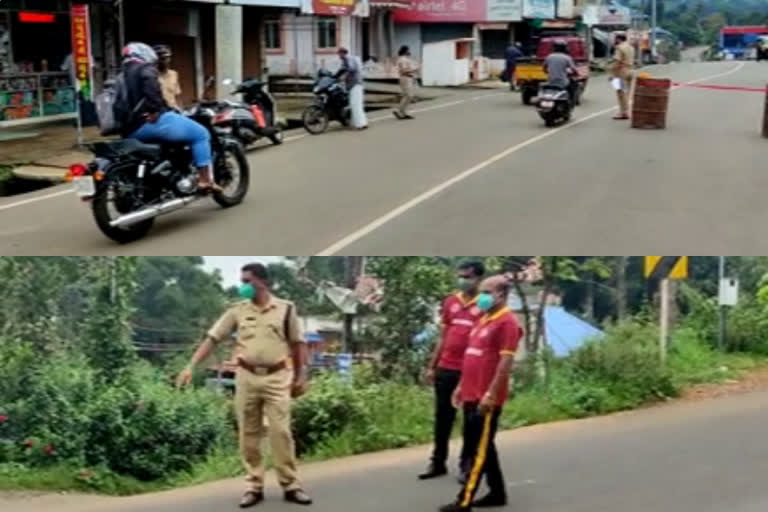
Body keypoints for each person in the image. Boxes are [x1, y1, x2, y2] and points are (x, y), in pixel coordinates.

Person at [177, 263, 312, 508]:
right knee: (248, 433)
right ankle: (254, 485)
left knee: (280, 431)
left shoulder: (285, 309)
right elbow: (213, 338)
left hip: (277, 377)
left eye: (248, 281)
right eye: (242, 281)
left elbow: (299, 344)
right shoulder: (237, 311)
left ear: (262, 282)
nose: (244, 286)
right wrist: (190, 366)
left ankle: (291, 484)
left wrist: (302, 375)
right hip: (246, 377)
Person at [439, 275, 523, 512]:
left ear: (501, 295)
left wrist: (491, 394)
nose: (482, 296)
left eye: (487, 291)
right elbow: (472, 356)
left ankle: (464, 500)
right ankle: (497, 493)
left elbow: (505, 363)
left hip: (486, 397)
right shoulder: (483, 319)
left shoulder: (507, 323)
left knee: (478, 450)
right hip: (470, 392)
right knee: (484, 447)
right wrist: (460, 386)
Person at [420, 260, 486, 484]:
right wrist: (432, 365)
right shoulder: (451, 302)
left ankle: (466, 464)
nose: (463, 280)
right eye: (461, 276)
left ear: (478, 278)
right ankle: (437, 461)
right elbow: (443, 336)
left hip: (470, 370)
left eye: (467, 276)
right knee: (442, 418)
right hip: (446, 367)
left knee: (470, 419)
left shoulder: (485, 302)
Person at [335, 47, 368, 130]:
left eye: (339, 53)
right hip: (351, 85)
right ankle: (361, 122)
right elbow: (341, 70)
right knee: (355, 104)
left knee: (355, 104)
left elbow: (352, 69)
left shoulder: (349, 59)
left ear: (343, 53)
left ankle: (361, 124)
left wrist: (345, 77)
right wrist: (334, 76)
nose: (338, 55)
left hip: (356, 84)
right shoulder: (344, 60)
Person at [543, 39, 579, 105]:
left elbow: (544, 69)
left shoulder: (549, 57)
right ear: (564, 48)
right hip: (563, 82)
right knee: (574, 85)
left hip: (550, 81)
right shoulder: (567, 57)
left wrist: (549, 72)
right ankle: (571, 102)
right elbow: (573, 69)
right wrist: (576, 73)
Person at [611, 33, 635, 120]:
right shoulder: (631, 47)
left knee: (620, 92)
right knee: (627, 92)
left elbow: (617, 62)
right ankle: (625, 111)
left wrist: (612, 73)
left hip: (621, 71)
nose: (614, 41)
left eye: (615, 39)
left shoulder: (619, 47)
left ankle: (623, 112)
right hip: (631, 70)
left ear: (618, 39)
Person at [153, 44, 182, 111]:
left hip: (173, 112)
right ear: (157, 60)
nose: (166, 61)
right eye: (162, 59)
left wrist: (181, 110)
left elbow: (177, 96)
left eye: (168, 58)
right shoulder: (152, 76)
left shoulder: (174, 74)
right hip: (158, 113)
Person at [394, 45, 418, 120]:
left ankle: (404, 112)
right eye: (408, 50)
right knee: (409, 96)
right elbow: (403, 70)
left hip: (408, 78)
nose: (409, 51)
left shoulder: (405, 59)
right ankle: (399, 111)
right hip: (405, 78)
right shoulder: (403, 59)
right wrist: (414, 70)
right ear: (405, 51)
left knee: (407, 96)